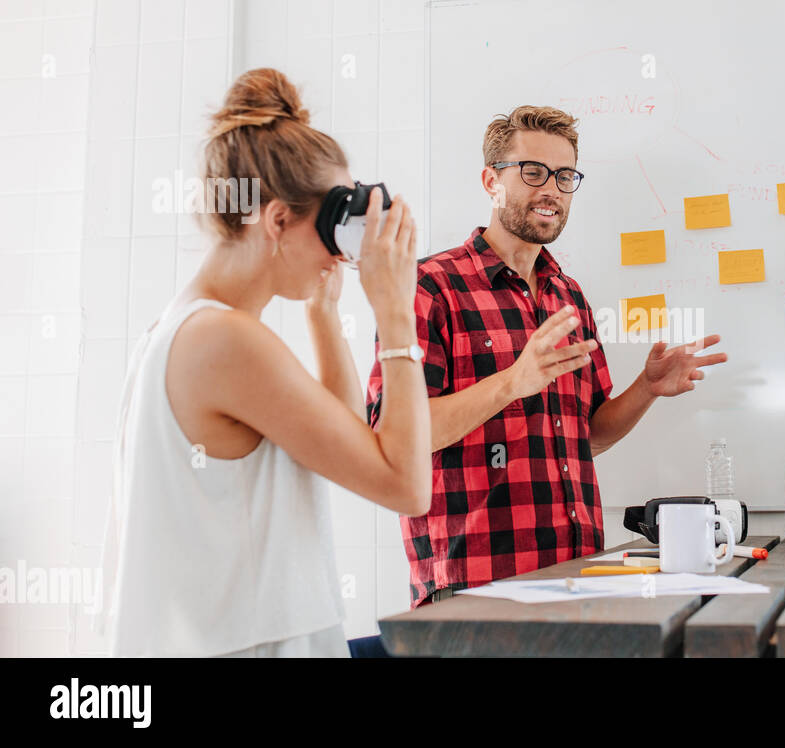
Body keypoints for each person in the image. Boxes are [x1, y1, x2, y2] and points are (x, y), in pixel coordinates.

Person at [99, 68, 434, 657]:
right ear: (277, 220)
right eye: (331, 225)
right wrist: (396, 313)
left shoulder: (184, 331)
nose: (341, 249)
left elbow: (345, 443)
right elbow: (405, 485)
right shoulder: (223, 341)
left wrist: (324, 316)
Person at [365, 105, 727, 607]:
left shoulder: (567, 294)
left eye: (564, 176)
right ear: (492, 181)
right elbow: (396, 438)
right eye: (532, 172)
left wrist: (646, 389)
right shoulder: (429, 287)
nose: (551, 189)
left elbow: (589, 437)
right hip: (475, 588)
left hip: (576, 576)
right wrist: (513, 381)